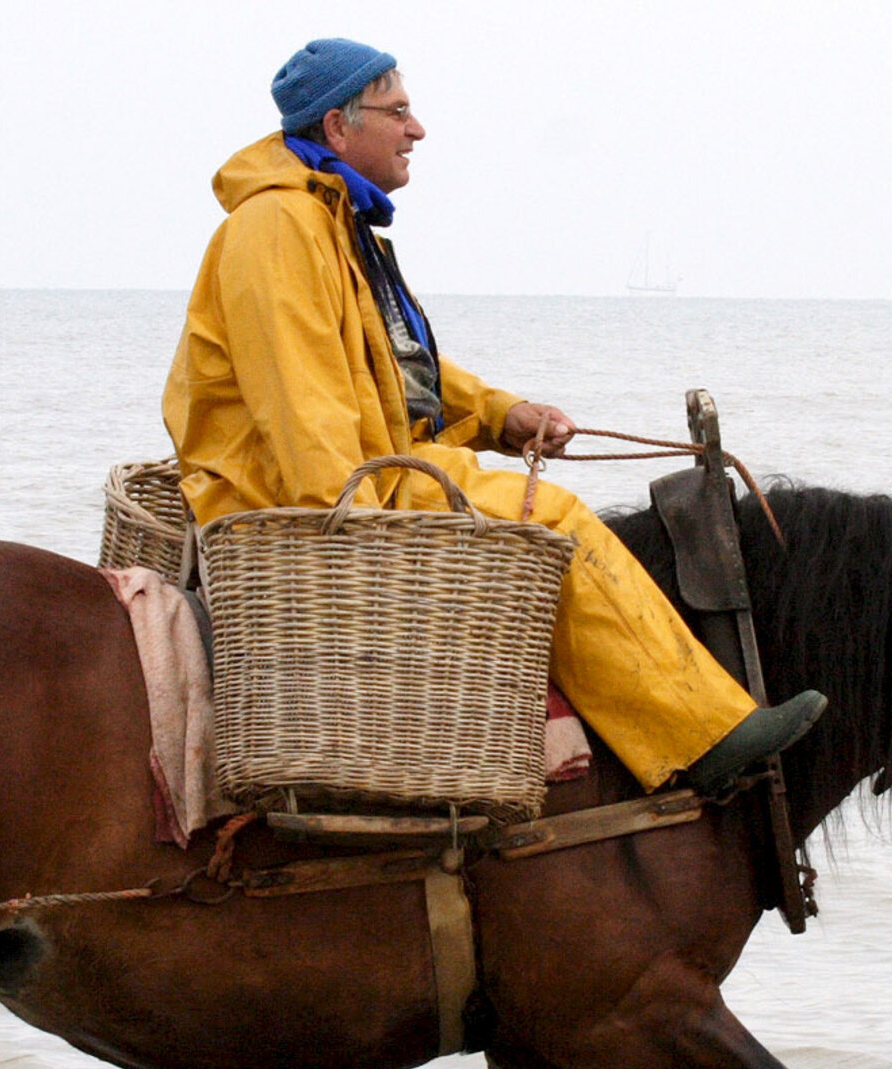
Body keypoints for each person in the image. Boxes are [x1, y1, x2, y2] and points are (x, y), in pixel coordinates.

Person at [161, 38, 823, 795]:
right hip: (307, 494)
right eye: (398, 112)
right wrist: (357, 537)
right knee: (552, 522)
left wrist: (502, 415)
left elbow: (394, 365)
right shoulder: (278, 227)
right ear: (338, 127)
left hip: (373, 469)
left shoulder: (330, 220)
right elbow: (300, 412)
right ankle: (702, 738)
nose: (417, 130)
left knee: (538, 507)